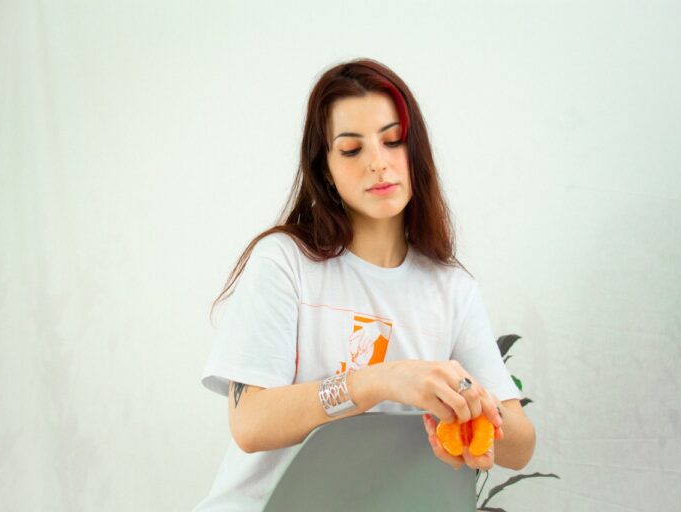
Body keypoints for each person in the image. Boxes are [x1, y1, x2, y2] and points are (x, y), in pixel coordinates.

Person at [193, 58, 536, 512]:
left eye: (393, 141)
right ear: (326, 169)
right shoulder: (284, 262)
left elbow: (521, 443)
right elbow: (251, 424)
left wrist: (474, 412)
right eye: (352, 150)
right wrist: (382, 380)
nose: (378, 163)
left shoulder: (451, 289)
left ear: (416, 152)